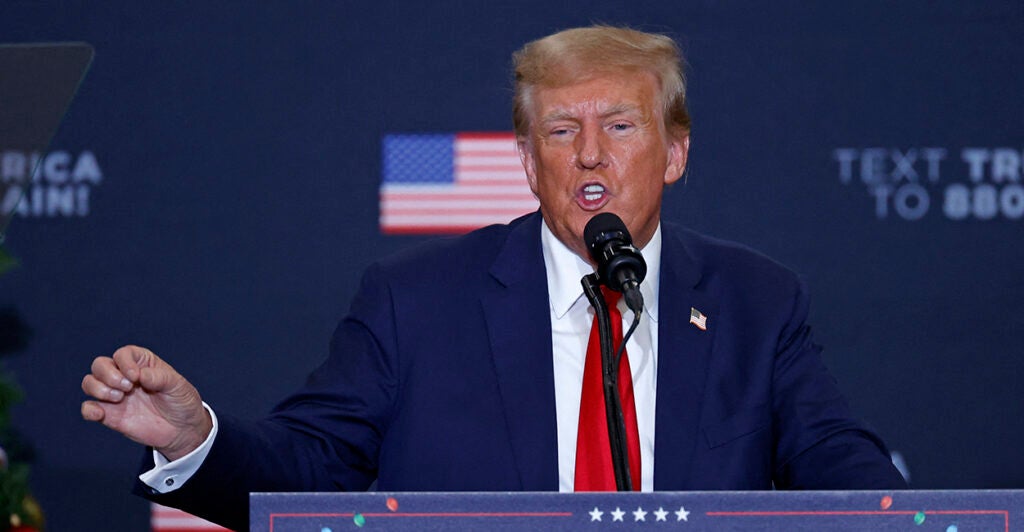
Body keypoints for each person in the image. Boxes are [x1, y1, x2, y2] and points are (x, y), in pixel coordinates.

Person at [81, 25, 906, 531]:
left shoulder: (754, 302)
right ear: (526, 160)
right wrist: (197, 440)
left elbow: (840, 468)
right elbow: (310, 470)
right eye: (560, 129)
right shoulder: (417, 301)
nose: (590, 153)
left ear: (677, 152)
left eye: (620, 125)